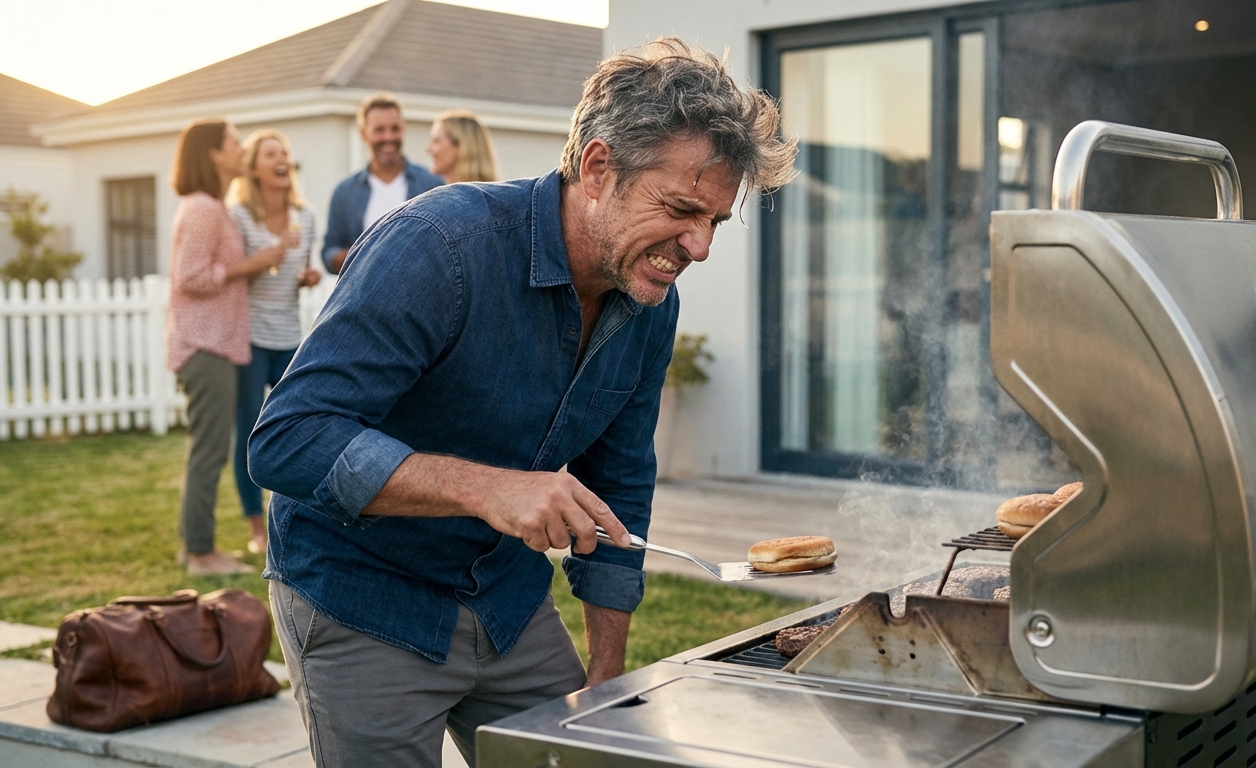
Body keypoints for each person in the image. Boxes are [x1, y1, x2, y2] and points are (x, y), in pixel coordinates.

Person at [249, 38, 796, 766]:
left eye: (715, 223)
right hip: (360, 597)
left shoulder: (648, 300)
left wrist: (606, 677)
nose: (698, 247)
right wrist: (487, 489)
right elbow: (286, 440)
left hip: (505, 598)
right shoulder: (439, 247)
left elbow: (621, 482)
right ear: (599, 168)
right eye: (680, 209)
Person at [166, 118, 284, 576]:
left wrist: (257, 265)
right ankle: (200, 553)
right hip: (204, 346)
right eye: (235, 143)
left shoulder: (214, 207)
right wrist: (252, 263)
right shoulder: (202, 209)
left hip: (216, 344)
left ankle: (192, 545)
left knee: (209, 446)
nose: (241, 150)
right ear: (213, 154)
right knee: (210, 449)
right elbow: (190, 277)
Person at [226, 129, 321, 555]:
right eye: (270, 153)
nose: (281, 158)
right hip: (248, 339)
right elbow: (236, 271)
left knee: (299, 429)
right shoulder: (239, 216)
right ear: (254, 167)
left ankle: (296, 518)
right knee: (249, 432)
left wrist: (307, 276)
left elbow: (297, 272)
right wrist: (276, 250)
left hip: (290, 338)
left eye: (284, 151)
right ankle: (255, 528)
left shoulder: (307, 216)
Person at [321, 93, 442, 274]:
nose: (388, 137)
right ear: (363, 133)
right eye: (379, 130)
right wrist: (359, 254)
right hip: (364, 298)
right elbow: (328, 253)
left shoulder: (432, 185)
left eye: (395, 129)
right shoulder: (345, 192)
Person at [426, 109, 498, 184]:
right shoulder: (435, 191)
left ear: (461, 147)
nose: (428, 149)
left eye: (436, 141)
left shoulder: (477, 195)